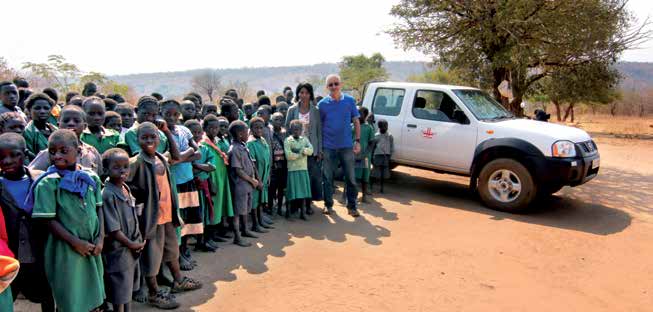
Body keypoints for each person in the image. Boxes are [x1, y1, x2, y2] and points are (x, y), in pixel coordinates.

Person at [29, 129, 106, 312]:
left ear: (79, 152)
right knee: (70, 293)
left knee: (92, 290)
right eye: (52, 151)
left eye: (64, 151)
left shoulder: (90, 178)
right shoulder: (48, 183)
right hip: (65, 248)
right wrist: (75, 242)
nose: (57, 156)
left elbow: (99, 209)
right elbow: (48, 221)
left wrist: (101, 238)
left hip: (92, 245)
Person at [126, 122, 201, 310]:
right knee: (152, 256)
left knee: (172, 249)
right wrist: (140, 196)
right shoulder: (136, 162)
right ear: (138, 140)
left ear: (159, 140)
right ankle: (153, 293)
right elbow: (122, 183)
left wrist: (167, 131)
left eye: (153, 137)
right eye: (145, 138)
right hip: (151, 220)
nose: (149, 141)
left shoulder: (162, 157)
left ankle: (178, 280)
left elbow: (176, 156)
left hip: (168, 215)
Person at [0, 133, 54, 311]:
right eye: (1, 156)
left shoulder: (41, 180)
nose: (7, 161)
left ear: (25, 154)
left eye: (14, 154)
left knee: (47, 293)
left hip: (39, 250)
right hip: (10, 255)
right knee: (8, 295)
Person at [159, 99, 202, 269]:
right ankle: (177, 256)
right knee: (177, 221)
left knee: (188, 219)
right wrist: (187, 154)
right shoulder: (160, 134)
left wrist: (180, 158)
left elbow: (198, 153)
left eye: (175, 114)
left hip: (187, 179)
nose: (171, 117)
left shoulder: (184, 130)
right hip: (172, 184)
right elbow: (167, 159)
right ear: (161, 113)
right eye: (167, 114)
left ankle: (184, 250)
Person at [101, 148, 145, 312]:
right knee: (119, 292)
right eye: (116, 167)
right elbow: (114, 230)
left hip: (131, 248)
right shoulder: (108, 194)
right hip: (118, 250)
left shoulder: (125, 187)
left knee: (128, 289)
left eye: (125, 166)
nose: (122, 171)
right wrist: (131, 244)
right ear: (106, 170)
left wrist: (136, 242)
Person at [319, 74, 361, 217]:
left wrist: (358, 140)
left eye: (336, 83)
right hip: (328, 147)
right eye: (330, 85)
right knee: (327, 178)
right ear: (327, 87)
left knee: (350, 178)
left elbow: (356, 121)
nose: (334, 87)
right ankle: (328, 205)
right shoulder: (322, 104)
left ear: (341, 84)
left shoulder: (349, 101)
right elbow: (319, 126)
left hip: (346, 146)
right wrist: (320, 148)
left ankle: (352, 206)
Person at [29, 105, 104, 175]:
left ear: (84, 126)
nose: (71, 123)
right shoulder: (49, 153)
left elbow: (100, 177)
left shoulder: (92, 152)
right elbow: (32, 174)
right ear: (58, 125)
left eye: (76, 121)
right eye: (66, 121)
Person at [198, 116, 236, 246]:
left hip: (221, 177)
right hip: (212, 179)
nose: (214, 130)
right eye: (211, 128)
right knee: (212, 208)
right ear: (205, 128)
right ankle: (208, 237)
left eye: (216, 128)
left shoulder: (218, 141)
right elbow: (203, 165)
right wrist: (210, 182)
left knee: (219, 206)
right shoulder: (204, 144)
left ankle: (216, 234)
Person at [286, 82, 322, 213]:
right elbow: (287, 130)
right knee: (296, 177)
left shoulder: (315, 111)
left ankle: (307, 204)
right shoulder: (292, 110)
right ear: (298, 94)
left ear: (310, 94)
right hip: (295, 150)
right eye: (301, 92)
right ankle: (296, 204)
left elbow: (319, 131)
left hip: (310, 150)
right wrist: (290, 147)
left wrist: (319, 150)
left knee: (310, 178)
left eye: (306, 92)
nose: (304, 95)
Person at [184, 119, 218, 252]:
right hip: (191, 187)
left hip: (204, 186)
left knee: (203, 214)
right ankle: (187, 246)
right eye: (194, 132)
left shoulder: (204, 149)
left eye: (199, 132)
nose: (197, 135)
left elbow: (212, 167)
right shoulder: (185, 150)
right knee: (191, 216)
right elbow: (189, 170)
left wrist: (197, 165)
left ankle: (201, 241)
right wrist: (203, 168)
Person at [228, 120, 260, 246]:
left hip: (247, 185)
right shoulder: (234, 149)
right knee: (237, 212)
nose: (249, 133)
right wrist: (252, 180)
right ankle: (237, 236)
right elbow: (238, 170)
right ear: (240, 134)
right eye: (247, 131)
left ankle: (245, 230)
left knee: (245, 209)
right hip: (240, 185)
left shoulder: (242, 146)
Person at [120, 96, 179, 160]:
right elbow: (144, 160)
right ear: (136, 111)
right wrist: (165, 157)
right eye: (145, 114)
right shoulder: (132, 132)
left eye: (154, 115)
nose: (149, 118)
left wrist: (166, 130)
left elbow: (176, 156)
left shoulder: (160, 133)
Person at [247, 117, 273, 232]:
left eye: (261, 127)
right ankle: (255, 224)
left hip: (264, 174)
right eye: (256, 127)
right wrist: (258, 179)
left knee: (261, 200)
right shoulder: (251, 143)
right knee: (255, 200)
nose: (258, 130)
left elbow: (267, 159)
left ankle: (260, 219)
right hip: (256, 177)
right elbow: (252, 164)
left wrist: (267, 176)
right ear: (251, 129)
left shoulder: (263, 140)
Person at [284, 120, 313, 220]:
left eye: (299, 129)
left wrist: (302, 151)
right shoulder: (288, 140)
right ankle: (288, 212)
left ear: (302, 130)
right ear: (291, 130)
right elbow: (288, 155)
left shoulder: (305, 139)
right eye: (294, 129)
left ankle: (303, 213)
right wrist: (301, 154)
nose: (296, 131)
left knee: (303, 192)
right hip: (292, 170)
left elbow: (311, 150)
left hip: (303, 169)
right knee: (291, 192)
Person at [268, 113, 288, 216]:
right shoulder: (269, 133)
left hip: (283, 164)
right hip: (273, 164)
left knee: (281, 188)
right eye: (276, 119)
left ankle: (280, 207)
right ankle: (270, 207)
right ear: (272, 120)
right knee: (272, 188)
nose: (279, 122)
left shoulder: (285, 133)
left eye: (281, 120)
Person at [354, 106, 374, 203]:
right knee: (352, 175)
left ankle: (364, 196)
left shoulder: (369, 128)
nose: (358, 115)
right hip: (354, 156)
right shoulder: (353, 126)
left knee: (365, 176)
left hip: (365, 158)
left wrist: (366, 154)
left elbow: (371, 143)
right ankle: (347, 195)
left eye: (360, 114)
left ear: (365, 116)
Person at [372, 119, 394, 193]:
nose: (385, 128)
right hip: (377, 155)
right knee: (375, 172)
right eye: (384, 126)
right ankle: (371, 186)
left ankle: (382, 188)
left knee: (383, 173)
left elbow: (391, 147)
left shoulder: (390, 136)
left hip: (386, 156)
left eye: (386, 126)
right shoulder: (376, 136)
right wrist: (372, 156)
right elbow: (373, 147)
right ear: (379, 127)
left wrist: (390, 156)